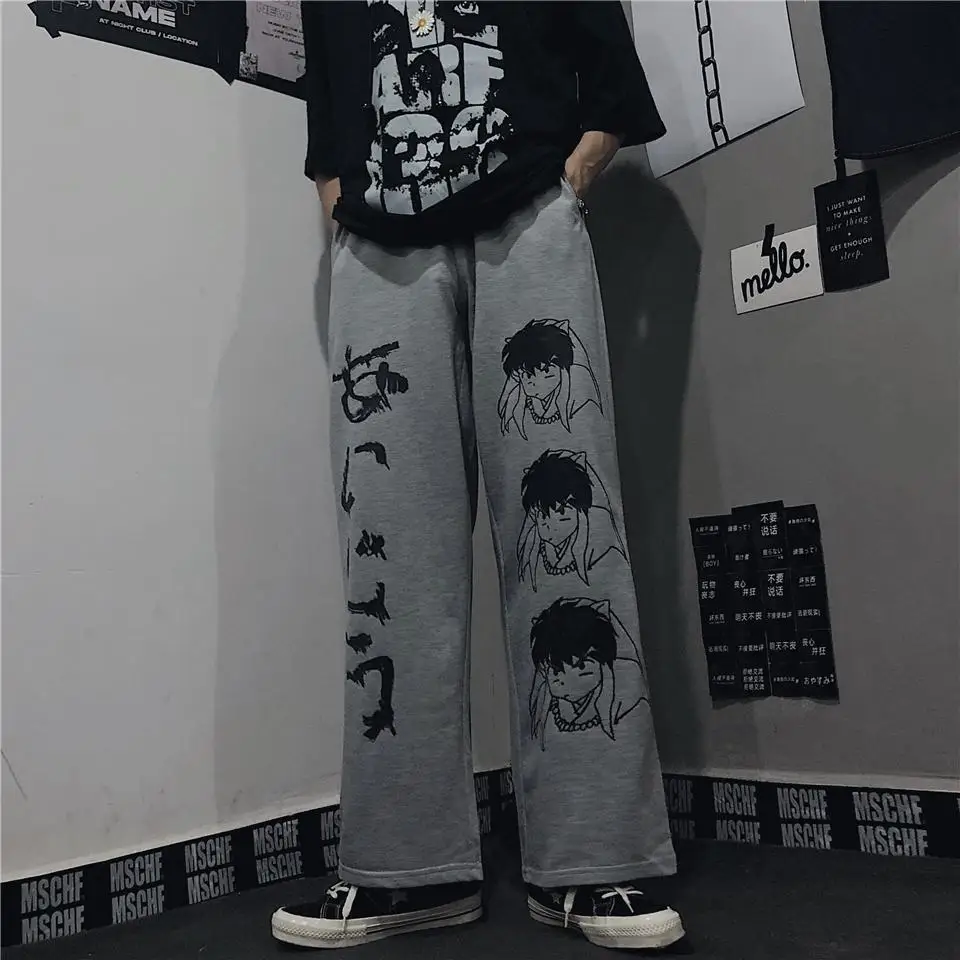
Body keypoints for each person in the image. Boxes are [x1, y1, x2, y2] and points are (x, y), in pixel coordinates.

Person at [272, 1, 684, 951]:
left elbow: (610, 77)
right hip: (379, 247)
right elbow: (327, 106)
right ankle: (405, 870)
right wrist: (341, 207)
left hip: (527, 221)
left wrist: (567, 184)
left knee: (567, 540)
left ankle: (591, 860)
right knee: (391, 562)